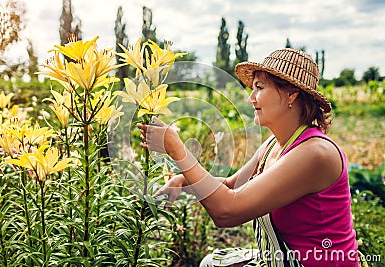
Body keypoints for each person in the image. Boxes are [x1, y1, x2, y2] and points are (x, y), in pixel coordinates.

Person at [137, 48, 360, 267]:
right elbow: (230, 186)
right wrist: (181, 181)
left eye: (259, 88)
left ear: (292, 94)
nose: (251, 97)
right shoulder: (273, 145)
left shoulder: (315, 154)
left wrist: (179, 151)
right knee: (211, 262)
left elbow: (227, 211)